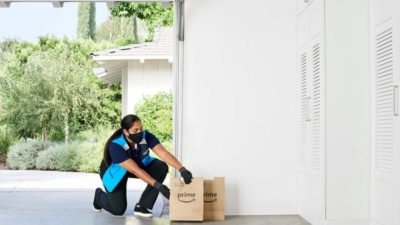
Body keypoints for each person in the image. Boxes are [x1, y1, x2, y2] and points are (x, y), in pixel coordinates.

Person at [92, 114, 193, 217]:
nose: (139, 133)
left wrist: (182, 168)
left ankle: (143, 206)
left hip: (138, 165)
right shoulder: (116, 145)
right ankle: (99, 196)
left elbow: (163, 153)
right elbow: (135, 170)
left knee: (161, 167)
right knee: (118, 209)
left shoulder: (146, 136)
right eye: (135, 131)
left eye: (141, 129)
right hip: (115, 171)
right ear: (125, 132)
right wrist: (158, 186)